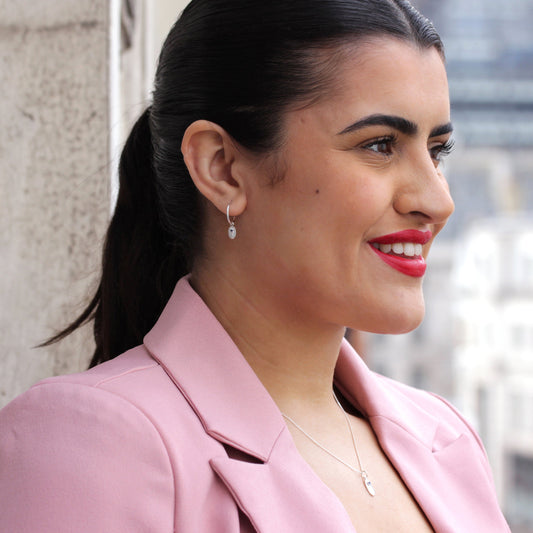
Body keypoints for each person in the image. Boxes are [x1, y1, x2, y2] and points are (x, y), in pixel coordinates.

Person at [0, 1, 511, 531]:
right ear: (221, 168)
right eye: (380, 145)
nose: (437, 200)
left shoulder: (448, 440)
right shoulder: (91, 447)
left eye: (437, 151)